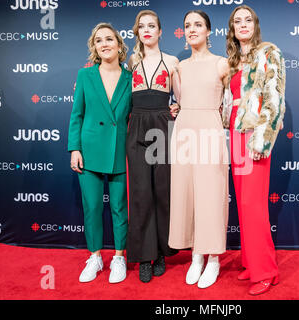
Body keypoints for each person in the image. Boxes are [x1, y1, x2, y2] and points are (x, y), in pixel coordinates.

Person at [223, 5, 286, 295]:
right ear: (232, 28)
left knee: (253, 205)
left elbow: (273, 100)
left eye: (248, 19)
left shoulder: (268, 53)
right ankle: (251, 263)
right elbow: (233, 103)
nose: (243, 24)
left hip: (255, 138)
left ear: (255, 25)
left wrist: (262, 140)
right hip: (235, 138)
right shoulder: (235, 60)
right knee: (244, 205)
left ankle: (266, 272)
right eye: (238, 21)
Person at [168, 10, 229, 289]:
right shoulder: (179, 67)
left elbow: (230, 104)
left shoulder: (222, 64)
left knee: (212, 195)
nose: (192, 29)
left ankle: (213, 257)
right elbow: (180, 101)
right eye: (187, 25)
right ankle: (195, 255)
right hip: (183, 131)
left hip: (210, 130)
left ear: (209, 31)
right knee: (187, 194)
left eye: (198, 25)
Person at [67, 22, 132, 284]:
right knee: (92, 207)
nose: (104, 44)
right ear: (94, 47)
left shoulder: (131, 77)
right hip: (89, 149)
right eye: (98, 40)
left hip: (120, 150)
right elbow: (77, 115)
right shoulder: (85, 76)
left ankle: (119, 257)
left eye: (109, 39)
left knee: (119, 207)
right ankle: (94, 256)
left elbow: (139, 114)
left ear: (119, 44)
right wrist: (74, 149)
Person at [126, 10, 180, 283]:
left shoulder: (171, 61)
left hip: (161, 125)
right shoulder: (131, 61)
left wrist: (176, 107)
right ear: (137, 32)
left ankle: (160, 251)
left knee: (161, 189)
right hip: (136, 124)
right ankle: (144, 256)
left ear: (160, 31)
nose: (146, 30)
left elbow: (181, 98)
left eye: (152, 26)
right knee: (140, 191)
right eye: (142, 26)